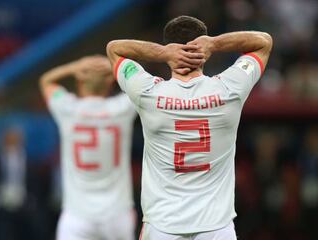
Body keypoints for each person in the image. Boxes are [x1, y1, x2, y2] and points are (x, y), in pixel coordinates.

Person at [106, 15, 272, 240]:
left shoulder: (148, 93)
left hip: (162, 227)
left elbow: (114, 49)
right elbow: (263, 42)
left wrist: (164, 53)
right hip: (216, 228)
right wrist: (214, 43)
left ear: (169, 46)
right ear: (203, 50)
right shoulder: (229, 89)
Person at [40, 55, 137, 240]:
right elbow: (141, 84)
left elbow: (46, 81)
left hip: (77, 215)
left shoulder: (68, 108)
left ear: (79, 80)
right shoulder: (122, 107)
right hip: (117, 213)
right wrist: (115, 67)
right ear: (111, 80)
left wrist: (73, 66)